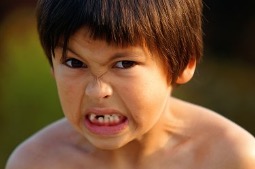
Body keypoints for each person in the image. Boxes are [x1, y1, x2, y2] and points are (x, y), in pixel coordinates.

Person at [6, 0, 255, 168]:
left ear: (183, 64)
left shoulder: (230, 157)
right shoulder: (36, 162)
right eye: (74, 63)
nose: (97, 90)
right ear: (52, 65)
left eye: (124, 64)